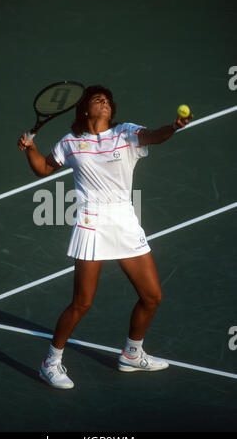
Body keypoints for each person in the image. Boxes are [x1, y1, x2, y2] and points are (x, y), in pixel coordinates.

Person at [17, 85, 193, 389]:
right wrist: (31, 149)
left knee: (152, 297)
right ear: (85, 110)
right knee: (81, 303)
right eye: (98, 100)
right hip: (91, 223)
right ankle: (50, 362)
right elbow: (44, 168)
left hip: (125, 221)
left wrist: (173, 128)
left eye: (108, 101)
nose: (105, 104)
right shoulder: (71, 143)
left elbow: (154, 135)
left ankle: (132, 354)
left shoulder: (125, 133)